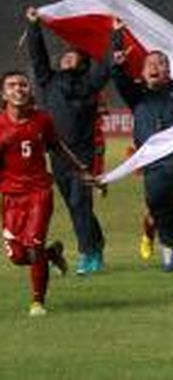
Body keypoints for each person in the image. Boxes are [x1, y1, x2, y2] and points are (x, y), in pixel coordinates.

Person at [110, 18, 173, 277]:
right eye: (150, 64)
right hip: (151, 165)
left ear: (168, 71)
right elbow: (118, 78)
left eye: (161, 63)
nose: (156, 66)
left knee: (160, 207)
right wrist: (117, 44)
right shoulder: (138, 96)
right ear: (143, 72)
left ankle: (169, 247)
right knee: (162, 211)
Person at [0, 70, 95, 316]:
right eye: (12, 85)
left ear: (29, 90)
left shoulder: (42, 120)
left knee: (32, 245)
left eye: (23, 85)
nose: (18, 89)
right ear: (3, 94)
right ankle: (51, 253)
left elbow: (58, 147)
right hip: (11, 198)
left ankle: (37, 302)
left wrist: (82, 170)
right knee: (19, 257)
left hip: (39, 193)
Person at [26, 7, 109, 275]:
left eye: (72, 55)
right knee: (76, 205)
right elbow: (38, 58)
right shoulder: (49, 81)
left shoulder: (89, 84)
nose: (65, 57)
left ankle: (88, 253)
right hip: (58, 155)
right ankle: (96, 244)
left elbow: (105, 64)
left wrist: (114, 36)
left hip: (83, 154)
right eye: (64, 55)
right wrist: (33, 28)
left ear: (83, 62)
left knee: (79, 203)